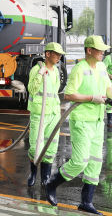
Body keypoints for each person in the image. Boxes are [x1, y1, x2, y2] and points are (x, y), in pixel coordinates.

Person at [45, 35, 112, 215]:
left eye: (103, 49)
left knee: (95, 163)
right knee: (80, 161)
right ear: (89, 50)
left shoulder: (101, 67)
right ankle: (51, 184)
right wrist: (92, 98)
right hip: (82, 121)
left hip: (98, 121)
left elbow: (108, 87)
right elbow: (69, 95)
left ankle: (86, 202)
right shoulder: (80, 68)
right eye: (99, 49)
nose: (103, 52)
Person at [27, 42, 65, 187]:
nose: (59, 57)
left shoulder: (55, 70)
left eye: (60, 54)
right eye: (57, 54)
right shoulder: (36, 69)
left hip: (54, 113)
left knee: (51, 147)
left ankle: (45, 177)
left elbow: (55, 92)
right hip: (39, 113)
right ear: (48, 54)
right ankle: (33, 174)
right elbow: (31, 89)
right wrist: (39, 75)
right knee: (35, 147)